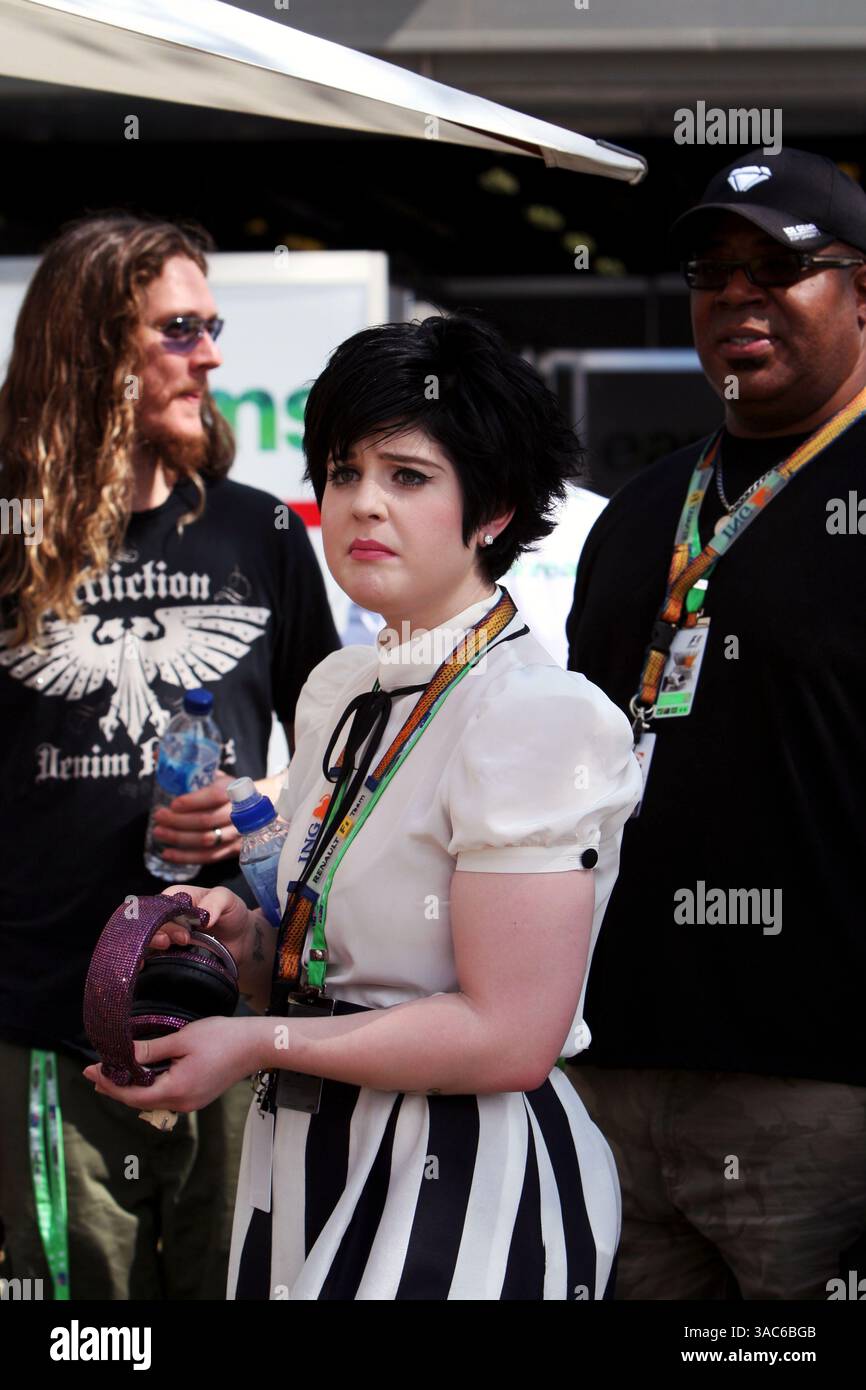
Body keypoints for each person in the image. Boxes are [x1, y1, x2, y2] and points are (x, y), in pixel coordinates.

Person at [84, 313, 643, 1301]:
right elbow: (334, 956)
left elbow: (506, 1037)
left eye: (407, 475)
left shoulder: (539, 715)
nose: (361, 505)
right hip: (303, 1154)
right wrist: (237, 934)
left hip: (459, 1179)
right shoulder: (341, 686)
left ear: (493, 509)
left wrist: (253, 1043)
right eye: (342, 472)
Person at [0, 212, 340, 1299]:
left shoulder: (262, 532)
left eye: (214, 323)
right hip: (48, 1019)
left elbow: (336, 753)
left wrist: (256, 808)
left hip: (228, 1013)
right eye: (179, 328)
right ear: (95, 348)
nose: (213, 355)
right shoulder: (9, 539)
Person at [564, 147, 866, 1300]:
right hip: (611, 1072)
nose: (735, 293)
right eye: (709, 271)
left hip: (819, 1093)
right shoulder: (640, 513)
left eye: (775, 267)